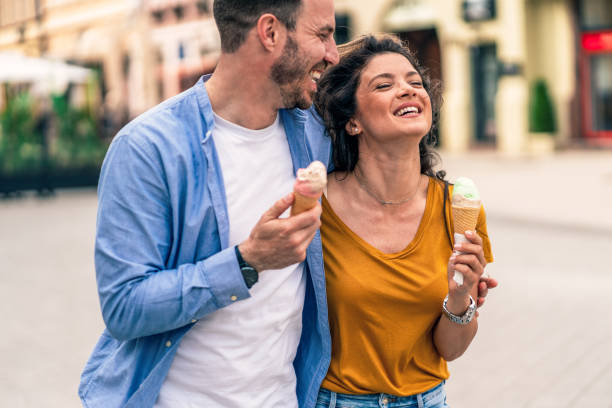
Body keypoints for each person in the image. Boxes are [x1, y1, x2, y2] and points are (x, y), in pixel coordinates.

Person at [79, 1, 338, 407]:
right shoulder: (148, 149)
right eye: (322, 35)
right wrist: (246, 262)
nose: (333, 53)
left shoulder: (315, 136)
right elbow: (124, 307)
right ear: (270, 32)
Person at [312, 34, 494, 407]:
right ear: (352, 122)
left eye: (415, 82)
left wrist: (460, 297)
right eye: (384, 85)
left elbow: (450, 349)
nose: (408, 91)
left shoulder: (457, 209)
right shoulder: (315, 207)